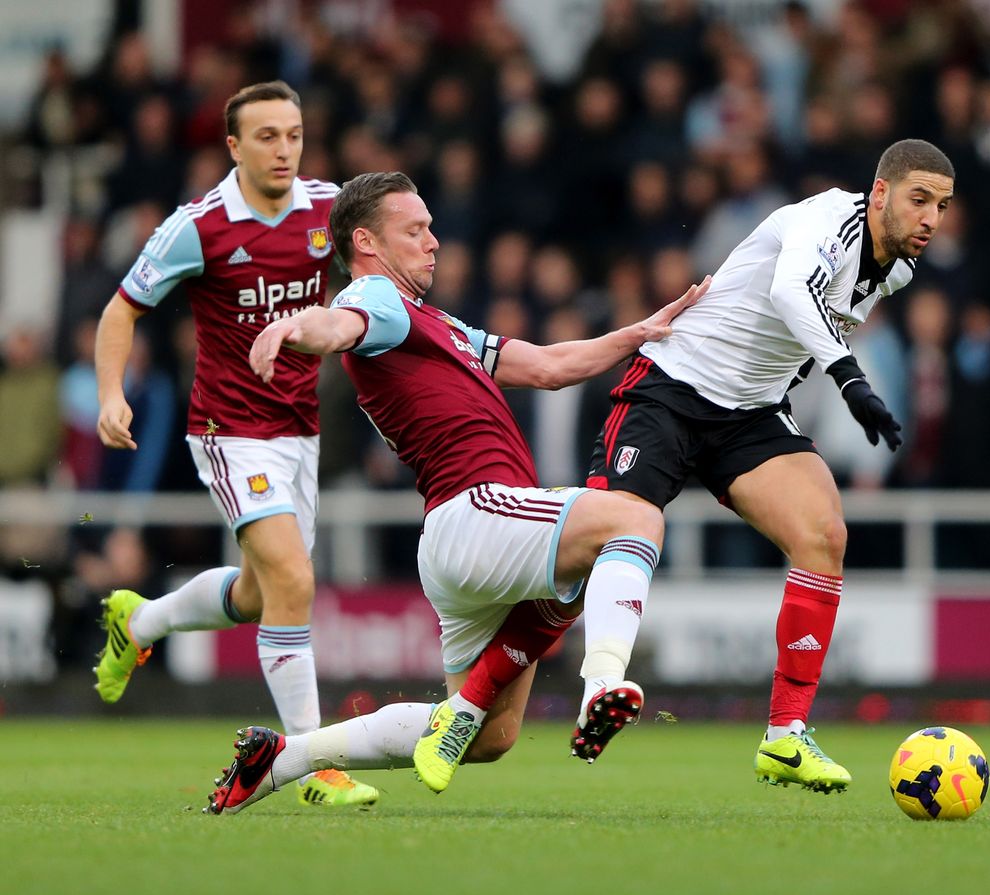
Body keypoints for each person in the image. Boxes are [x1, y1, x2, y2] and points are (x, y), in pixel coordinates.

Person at [204, 171, 710, 814]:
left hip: (465, 540)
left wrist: (637, 334)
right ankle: (603, 684)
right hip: (479, 510)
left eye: (432, 228)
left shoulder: (433, 323)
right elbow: (341, 323)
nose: (433, 242)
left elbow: (550, 367)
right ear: (366, 242)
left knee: (490, 735)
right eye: (414, 230)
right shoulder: (378, 298)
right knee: (635, 520)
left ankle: (287, 757)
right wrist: (294, 328)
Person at [583, 139, 955, 792]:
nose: (931, 218)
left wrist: (830, 377)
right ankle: (569, 687)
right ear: (880, 193)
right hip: (671, 387)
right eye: (919, 199)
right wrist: (850, 378)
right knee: (597, 538)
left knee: (824, 534)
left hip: (748, 413)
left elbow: (800, 339)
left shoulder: (896, 272)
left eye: (943, 206)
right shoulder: (826, 221)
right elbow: (790, 292)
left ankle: (785, 735)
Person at [92, 80, 378, 808]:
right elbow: (120, 310)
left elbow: (379, 283)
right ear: (233, 146)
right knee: (294, 580)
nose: (284, 149)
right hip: (228, 431)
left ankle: (141, 618)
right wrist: (111, 394)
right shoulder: (200, 225)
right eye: (267, 136)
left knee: (259, 593)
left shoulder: (329, 207)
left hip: (299, 431)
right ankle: (314, 765)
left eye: (294, 133)